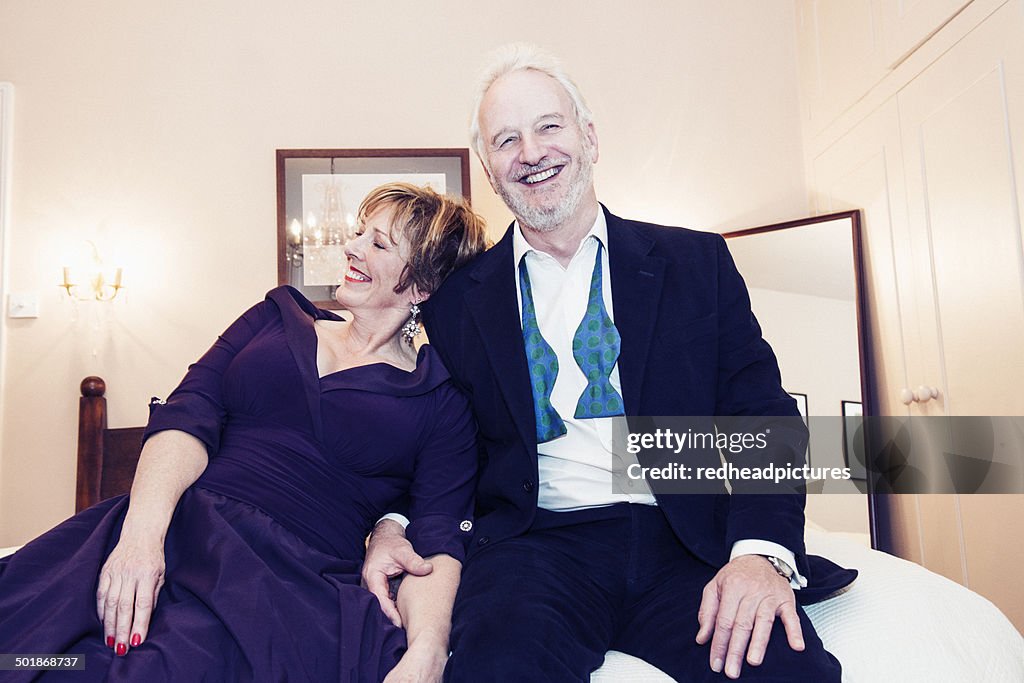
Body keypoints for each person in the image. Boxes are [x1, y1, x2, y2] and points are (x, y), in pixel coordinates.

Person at [362, 45, 858, 682]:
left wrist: (760, 555)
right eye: (506, 140)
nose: (531, 152)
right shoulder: (458, 303)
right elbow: (439, 442)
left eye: (549, 126)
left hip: (683, 539)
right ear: (489, 167)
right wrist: (392, 523)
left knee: (786, 672)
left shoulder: (695, 264)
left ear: (589, 136)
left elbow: (761, 415)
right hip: (533, 550)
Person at [0, 182, 488, 682]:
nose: (352, 247)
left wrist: (428, 651)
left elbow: (437, 535)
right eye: (359, 232)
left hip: (284, 585)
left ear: (423, 286)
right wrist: (140, 541)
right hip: (171, 525)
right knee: (26, 653)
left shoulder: (443, 398)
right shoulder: (276, 317)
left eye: (378, 244)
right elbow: (189, 412)